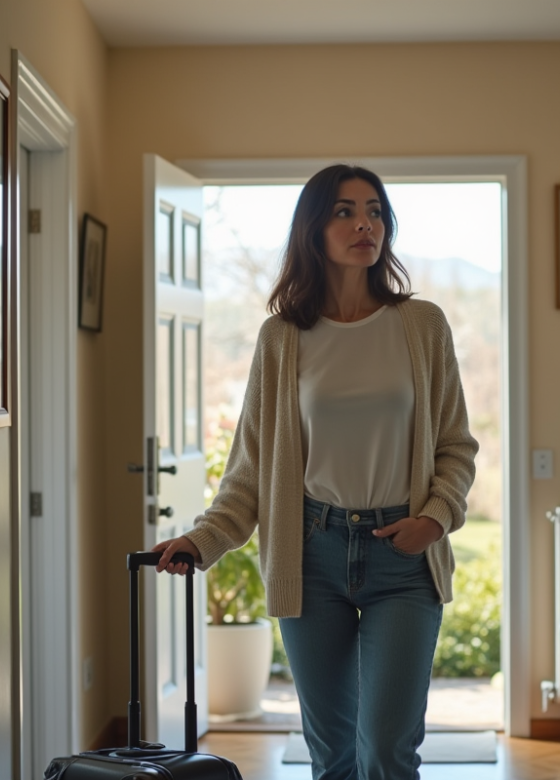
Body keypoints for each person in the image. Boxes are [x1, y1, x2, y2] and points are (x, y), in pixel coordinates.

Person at [152, 164, 479, 780]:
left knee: (386, 750)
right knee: (332, 757)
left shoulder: (422, 325)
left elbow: (455, 447)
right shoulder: (282, 337)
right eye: (344, 211)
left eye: (375, 211)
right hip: (310, 555)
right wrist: (204, 539)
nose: (364, 224)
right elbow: (250, 470)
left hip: (403, 558)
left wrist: (434, 521)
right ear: (313, 230)